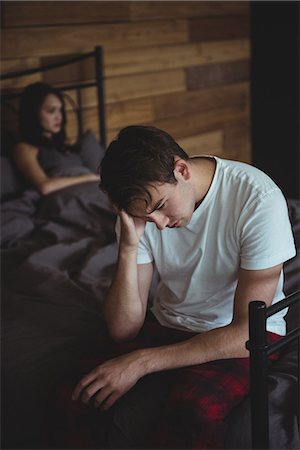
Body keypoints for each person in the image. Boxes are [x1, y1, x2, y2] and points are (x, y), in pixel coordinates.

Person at [70, 125, 296, 449]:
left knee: (190, 415)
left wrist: (141, 362)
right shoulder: (143, 210)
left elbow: (248, 333)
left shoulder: (256, 198)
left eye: (162, 206)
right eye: (148, 217)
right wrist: (128, 247)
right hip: (170, 324)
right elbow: (123, 329)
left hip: (238, 336)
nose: (160, 224)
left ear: (182, 169)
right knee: (79, 393)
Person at [13, 82, 99, 195]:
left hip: (87, 192)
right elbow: (45, 186)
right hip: (65, 198)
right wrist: (90, 178)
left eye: (60, 110)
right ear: (33, 113)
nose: (59, 116)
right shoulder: (24, 148)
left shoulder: (65, 148)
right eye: (51, 111)